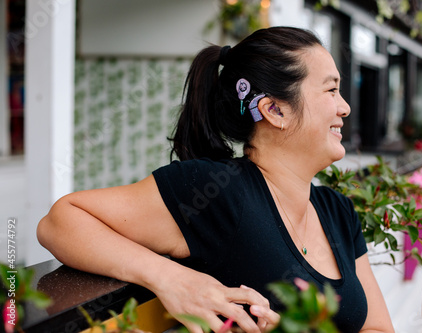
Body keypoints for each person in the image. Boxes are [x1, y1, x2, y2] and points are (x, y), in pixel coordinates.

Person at [37, 26, 394, 333]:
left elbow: (377, 327)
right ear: (275, 110)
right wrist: (172, 279)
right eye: (331, 90)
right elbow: (61, 222)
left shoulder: (337, 210)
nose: (344, 107)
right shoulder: (218, 191)